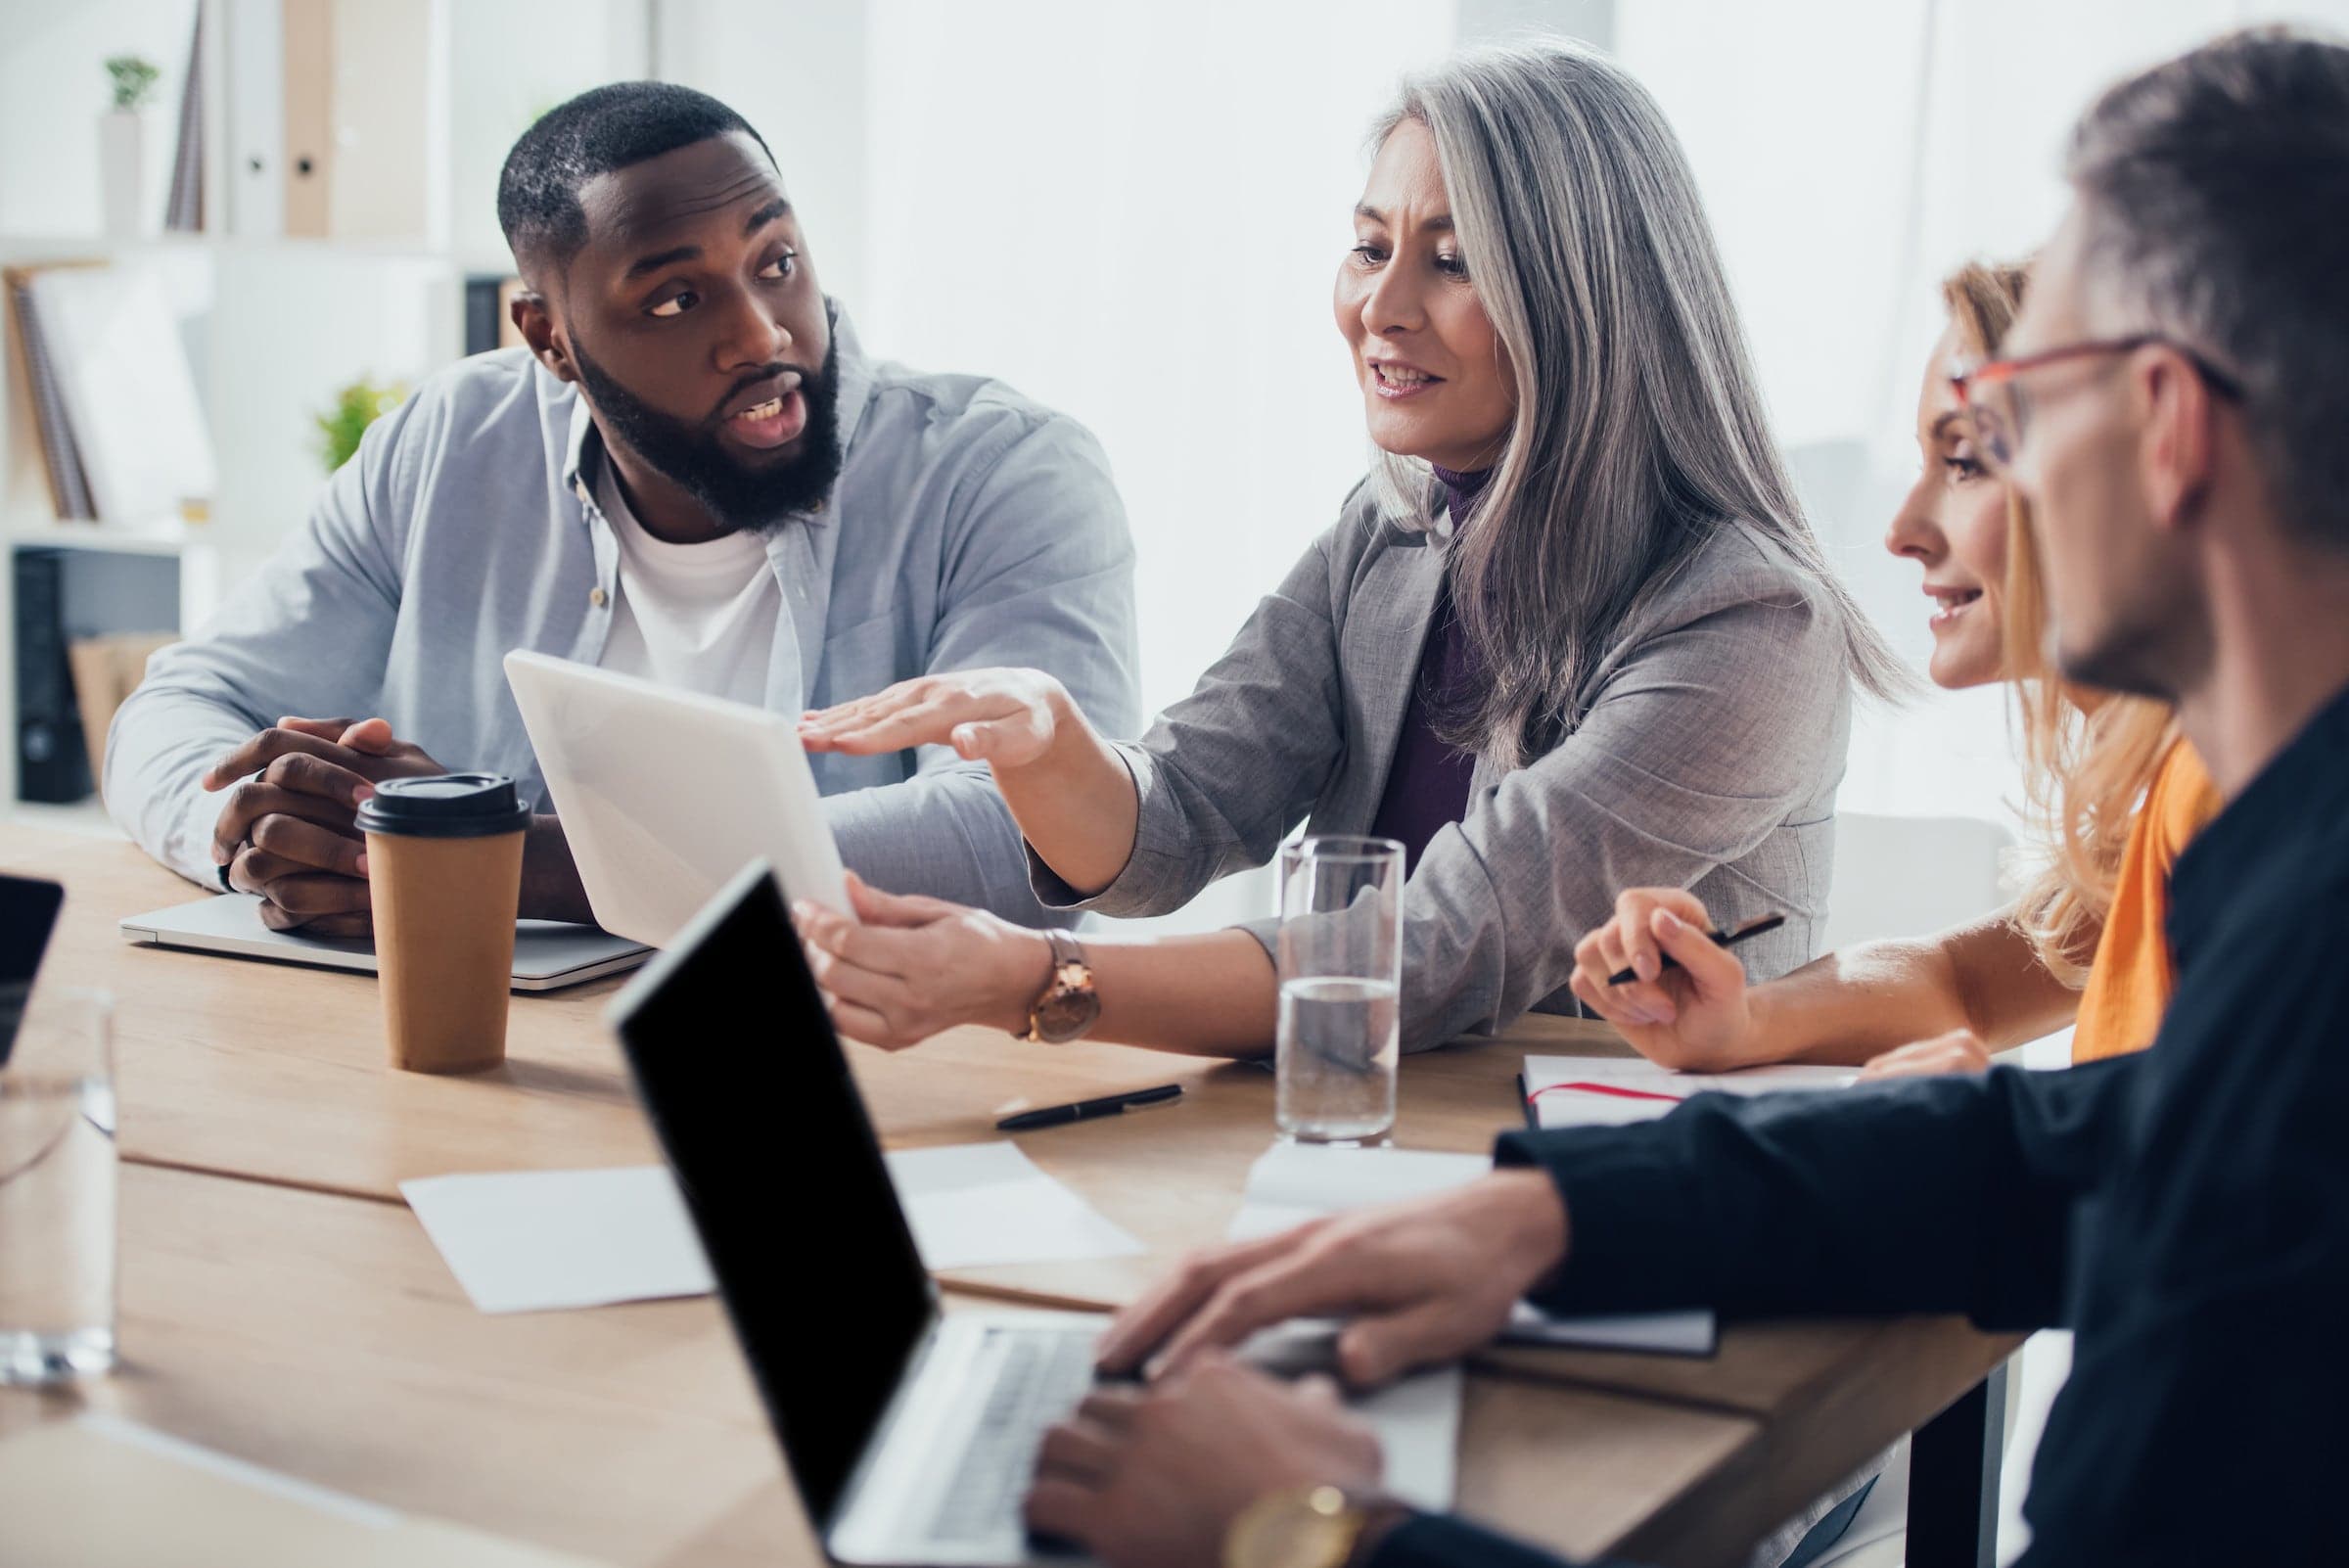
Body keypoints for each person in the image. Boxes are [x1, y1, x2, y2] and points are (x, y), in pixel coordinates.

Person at [1014, 27, 2349, 1568]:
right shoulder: (2282, 870)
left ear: (2172, 425)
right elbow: (2078, 1146)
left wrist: (1309, 1531)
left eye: (2010, 416)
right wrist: (1555, 1214)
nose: (1918, 517)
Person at [792, 42, 1903, 1057]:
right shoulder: (1391, 533)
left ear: (1585, 297)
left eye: (1452, 261)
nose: (1381, 305)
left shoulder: (1751, 622)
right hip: (1353, 1131)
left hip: (1614, 1180)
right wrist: (1049, 747)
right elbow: (1185, 815)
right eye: (1369, 247)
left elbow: (1438, 950)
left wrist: (1038, 977)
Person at [102, 82, 1138, 936]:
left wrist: (500, 863)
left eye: (775, 262)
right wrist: (265, 839)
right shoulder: (452, 445)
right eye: (678, 300)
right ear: (548, 338)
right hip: (500, 1052)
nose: (762, 336)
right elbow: (176, 708)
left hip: (890, 1074)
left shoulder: (1005, 471)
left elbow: (1038, 835)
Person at [1570, 262, 2221, 1081]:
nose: (1902, 532)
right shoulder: (2158, 791)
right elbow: (1966, 987)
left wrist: (1988, 1137)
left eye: (1964, 462)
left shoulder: (2218, 792)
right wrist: (1742, 1020)